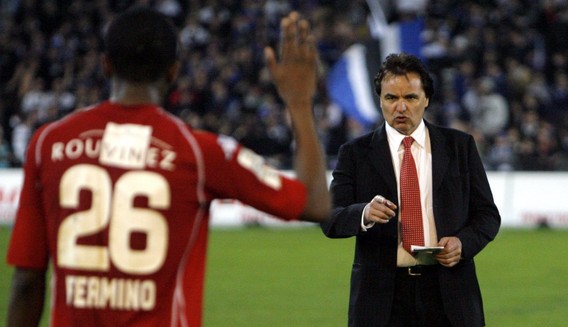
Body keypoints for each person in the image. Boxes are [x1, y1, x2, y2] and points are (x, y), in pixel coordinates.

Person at [6, 7, 329, 327]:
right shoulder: (200, 152)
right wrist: (299, 101)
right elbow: (315, 203)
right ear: (173, 72)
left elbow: (26, 282)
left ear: (105, 66)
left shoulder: (50, 144)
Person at [321, 53, 501, 327]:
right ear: (380, 100)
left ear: (426, 99)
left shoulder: (459, 146)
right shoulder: (355, 153)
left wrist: (462, 244)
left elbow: (487, 215)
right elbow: (330, 218)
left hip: (449, 293)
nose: (400, 107)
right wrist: (364, 213)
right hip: (381, 299)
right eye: (391, 98)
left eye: (411, 98)